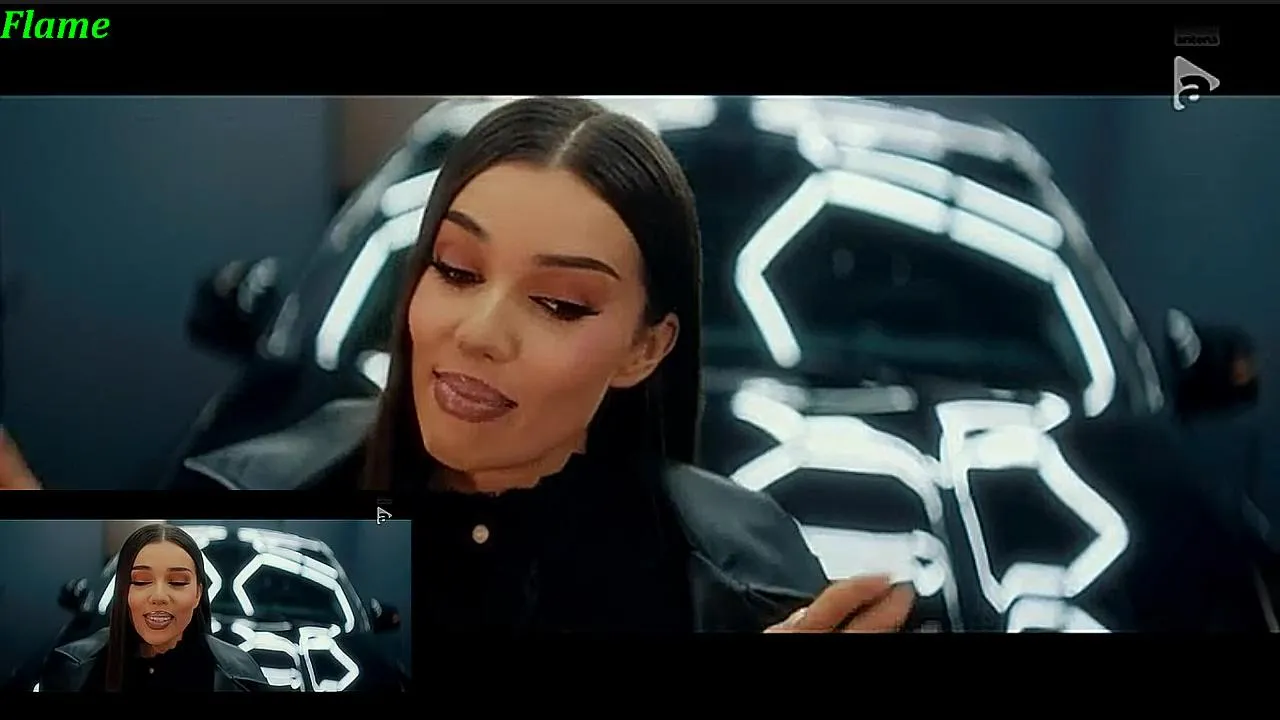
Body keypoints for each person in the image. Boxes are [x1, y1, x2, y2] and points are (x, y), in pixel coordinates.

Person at [0, 97, 915, 632]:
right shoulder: (239, 504)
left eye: (559, 303)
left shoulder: (744, 581)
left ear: (647, 348)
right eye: (456, 270)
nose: (479, 333)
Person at [37, 523, 276, 691]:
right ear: (124, 591)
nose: (159, 597)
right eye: (141, 581)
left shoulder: (241, 678)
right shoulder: (70, 667)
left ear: (198, 594)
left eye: (177, 582)